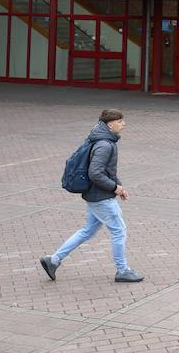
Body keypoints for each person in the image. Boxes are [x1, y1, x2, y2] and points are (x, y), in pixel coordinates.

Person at [40, 109, 144, 283]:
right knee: (119, 231)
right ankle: (123, 270)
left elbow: (108, 170)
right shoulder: (105, 144)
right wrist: (114, 188)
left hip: (96, 196)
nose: (123, 124)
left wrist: (119, 186)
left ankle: (53, 260)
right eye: (120, 121)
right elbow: (95, 173)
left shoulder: (102, 139)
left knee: (87, 231)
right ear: (110, 125)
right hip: (101, 197)